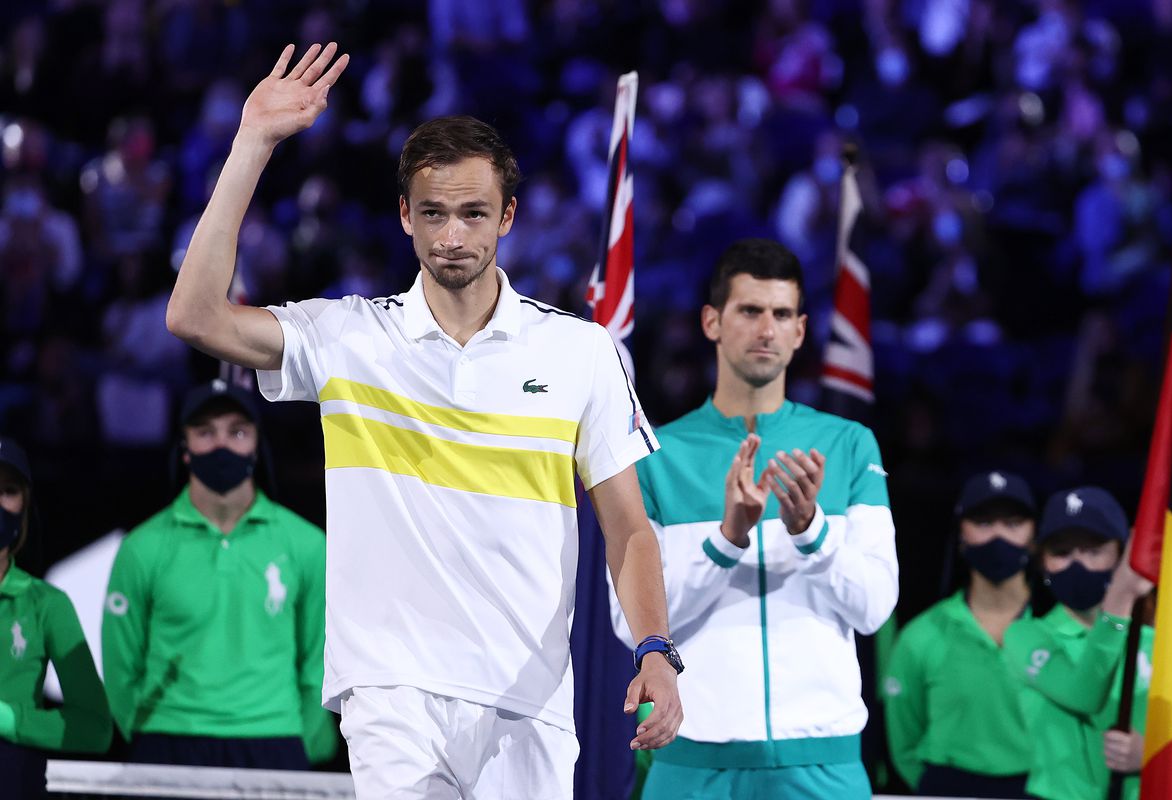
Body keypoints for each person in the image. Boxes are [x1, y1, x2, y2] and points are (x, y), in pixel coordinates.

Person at [165, 43, 683, 799]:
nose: (452, 237)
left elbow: (630, 528)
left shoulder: (580, 350)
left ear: (507, 216)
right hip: (391, 690)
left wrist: (656, 647)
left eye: (473, 214)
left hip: (530, 700)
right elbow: (194, 314)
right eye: (433, 214)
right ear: (405, 215)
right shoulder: (348, 338)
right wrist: (253, 144)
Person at [612, 238, 898, 799]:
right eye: (750, 311)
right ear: (712, 321)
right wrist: (727, 539)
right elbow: (629, 626)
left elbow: (873, 607)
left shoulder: (848, 445)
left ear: (800, 330)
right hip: (692, 767)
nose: (767, 329)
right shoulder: (653, 456)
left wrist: (811, 531)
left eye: (782, 314)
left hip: (825, 767)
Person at [102, 379, 336, 769]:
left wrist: (300, 743)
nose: (222, 445)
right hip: (169, 740)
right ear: (185, 450)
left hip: (274, 739)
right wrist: (149, 736)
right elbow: (120, 668)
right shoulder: (142, 548)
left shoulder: (308, 545)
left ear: (258, 446)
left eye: (238, 431)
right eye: (205, 432)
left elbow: (319, 663)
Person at [884, 470, 1037, 797]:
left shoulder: (1061, 632)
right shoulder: (920, 636)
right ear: (960, 536)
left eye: (1013, 524)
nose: (998, 536)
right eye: (983, 523)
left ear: (1034, 535)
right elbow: (903, 742)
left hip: (1042, 787)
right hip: (949, 787)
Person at [1003, 486, 1153, 800]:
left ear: (1121, 555)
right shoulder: (1025, 636)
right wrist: (1120, 598)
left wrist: (1151, 753)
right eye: (1062, 553)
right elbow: (1084, 695)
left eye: (1093, 550)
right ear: (1043, 563)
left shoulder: (1160, 642)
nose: (1077, 563)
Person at [0, 437, 112, 798]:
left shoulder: (46, 604)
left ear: (24, 506)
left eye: (8, 490)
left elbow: (95, 728)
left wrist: (12, 720)